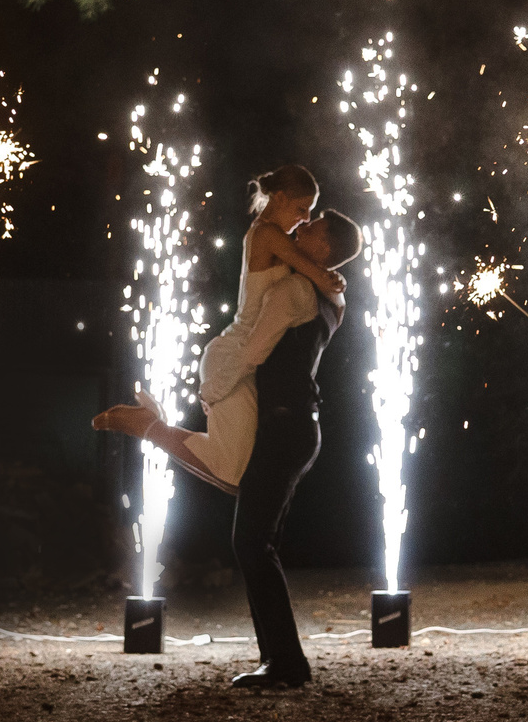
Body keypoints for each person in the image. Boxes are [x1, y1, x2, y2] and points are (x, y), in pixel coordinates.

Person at [93, 165, 347, 490]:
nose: (304, 220)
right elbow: (312, 268)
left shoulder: (280, 238)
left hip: (245, 360)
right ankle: (148, 426)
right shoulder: (266, 233)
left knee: (235, 475)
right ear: (279, 198)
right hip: (234, 356)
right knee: (232, 473)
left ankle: (150, 424)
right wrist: (332, 278)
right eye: (301, 209)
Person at [229, 209, 362, 688]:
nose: (299, 227)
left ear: (323, 249)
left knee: (251, 542)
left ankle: (285, 662)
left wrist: (215, 378)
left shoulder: (292, 291)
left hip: (285, 427)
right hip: (300, 426)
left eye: (312, 226)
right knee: (258, 543)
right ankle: (280, 659)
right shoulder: (331, 296)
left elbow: (253, 351)